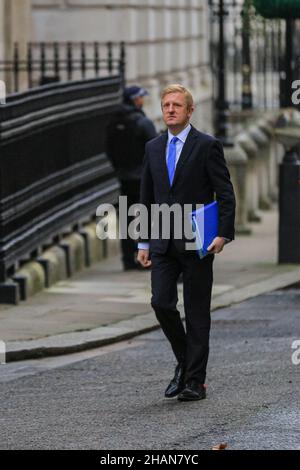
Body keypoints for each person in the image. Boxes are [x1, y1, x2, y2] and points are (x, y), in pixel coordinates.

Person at [137, 84, 235, 401]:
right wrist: (142, 243)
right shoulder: (153, 147)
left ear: (190, 111)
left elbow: (225, 193)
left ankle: (195, 381)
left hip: (198, 241)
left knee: (196, 314)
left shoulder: (207, 145)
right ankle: (184, 361)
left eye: (177, 105)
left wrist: (223, 233)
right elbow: (146, 198)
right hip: (163, 241)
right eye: (166, 105)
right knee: (161, 303)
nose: (170, 110)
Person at [106, 85, 157, 270]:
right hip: (143, 178)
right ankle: (145, 258)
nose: (143, 100)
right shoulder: (142, 122)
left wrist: (119, 168)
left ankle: (128, 259)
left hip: (124, 177)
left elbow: (109, 149)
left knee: (126, 218)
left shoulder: (113, 122)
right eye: (141, 97)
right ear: (136, 100)